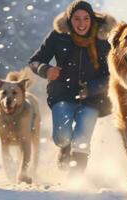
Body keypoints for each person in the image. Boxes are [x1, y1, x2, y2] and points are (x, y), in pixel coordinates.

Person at [28, 0, 116, 175]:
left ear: (91, 19)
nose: (81, 24)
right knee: (62, 138)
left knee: (82, 142)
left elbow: (113, 74)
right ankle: (64, 147)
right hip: (62, 95)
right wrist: (45, 70)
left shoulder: (104, 40)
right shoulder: (58, 36)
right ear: (69, 20)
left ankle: (75, 182)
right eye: (76, 19)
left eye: (85, 19)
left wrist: (91, 88)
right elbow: (34, 61)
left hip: (93, 99)